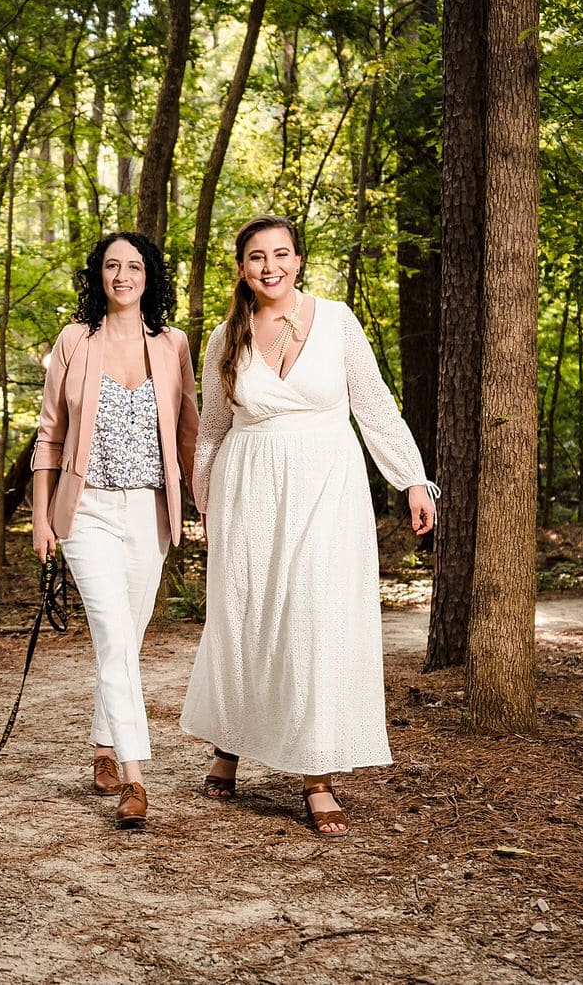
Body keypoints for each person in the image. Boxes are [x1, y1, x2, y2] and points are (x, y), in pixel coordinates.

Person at [179, 215, 438, 837]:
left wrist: (411, 478)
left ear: (299, 259)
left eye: (281, 254)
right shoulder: (224, 337)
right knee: (246, 617)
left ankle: (317, 777)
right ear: (241, 267)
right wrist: (204, 498)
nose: (270, 267)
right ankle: (228, 746)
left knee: (316, 621)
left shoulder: (339, 321)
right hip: (248, 489)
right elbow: (213, 428)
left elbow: (373, 405)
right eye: (256, 257)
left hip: (327, 484)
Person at [33, 231, 198, 829]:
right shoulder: (76, 341)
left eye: (134, 266)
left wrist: (206, 506)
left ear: (150, 275)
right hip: (88, 511)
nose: (122, 275)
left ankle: (102, 746)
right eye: (111, 266)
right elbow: (50, 433)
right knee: (113, 632)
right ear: (97, 275)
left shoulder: (173, 344)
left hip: (151, 510)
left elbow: (188, 433)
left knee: (126, 634)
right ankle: (134, 775)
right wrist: (41, 515)